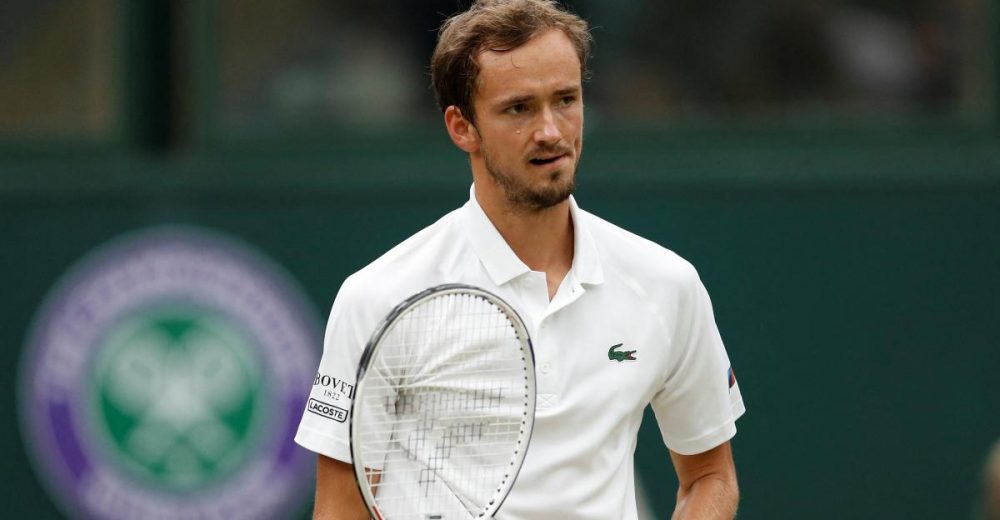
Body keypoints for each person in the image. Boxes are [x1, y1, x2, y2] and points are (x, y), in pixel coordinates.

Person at [294, 1, 745, 518]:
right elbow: (340, 508)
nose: (551, 131)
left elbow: (710, 476)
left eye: (566, 100)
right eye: (519, 109)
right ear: (461, 127)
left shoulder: (668, 284)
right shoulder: (376, 298)